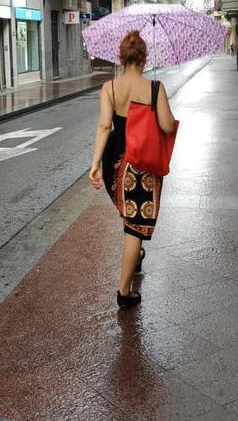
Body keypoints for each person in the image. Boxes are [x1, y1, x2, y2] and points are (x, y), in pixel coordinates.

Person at [89, 30, 177, 309]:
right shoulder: (155, 88)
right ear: (144, 58)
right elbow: (166, 126)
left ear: (121, 57)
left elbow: (105, 126)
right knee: (133, 227)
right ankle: (124, 291)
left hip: (116, 162)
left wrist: (95, 164)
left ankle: (135, 254)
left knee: (129, 219)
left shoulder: (109, 89)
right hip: (143, 164)